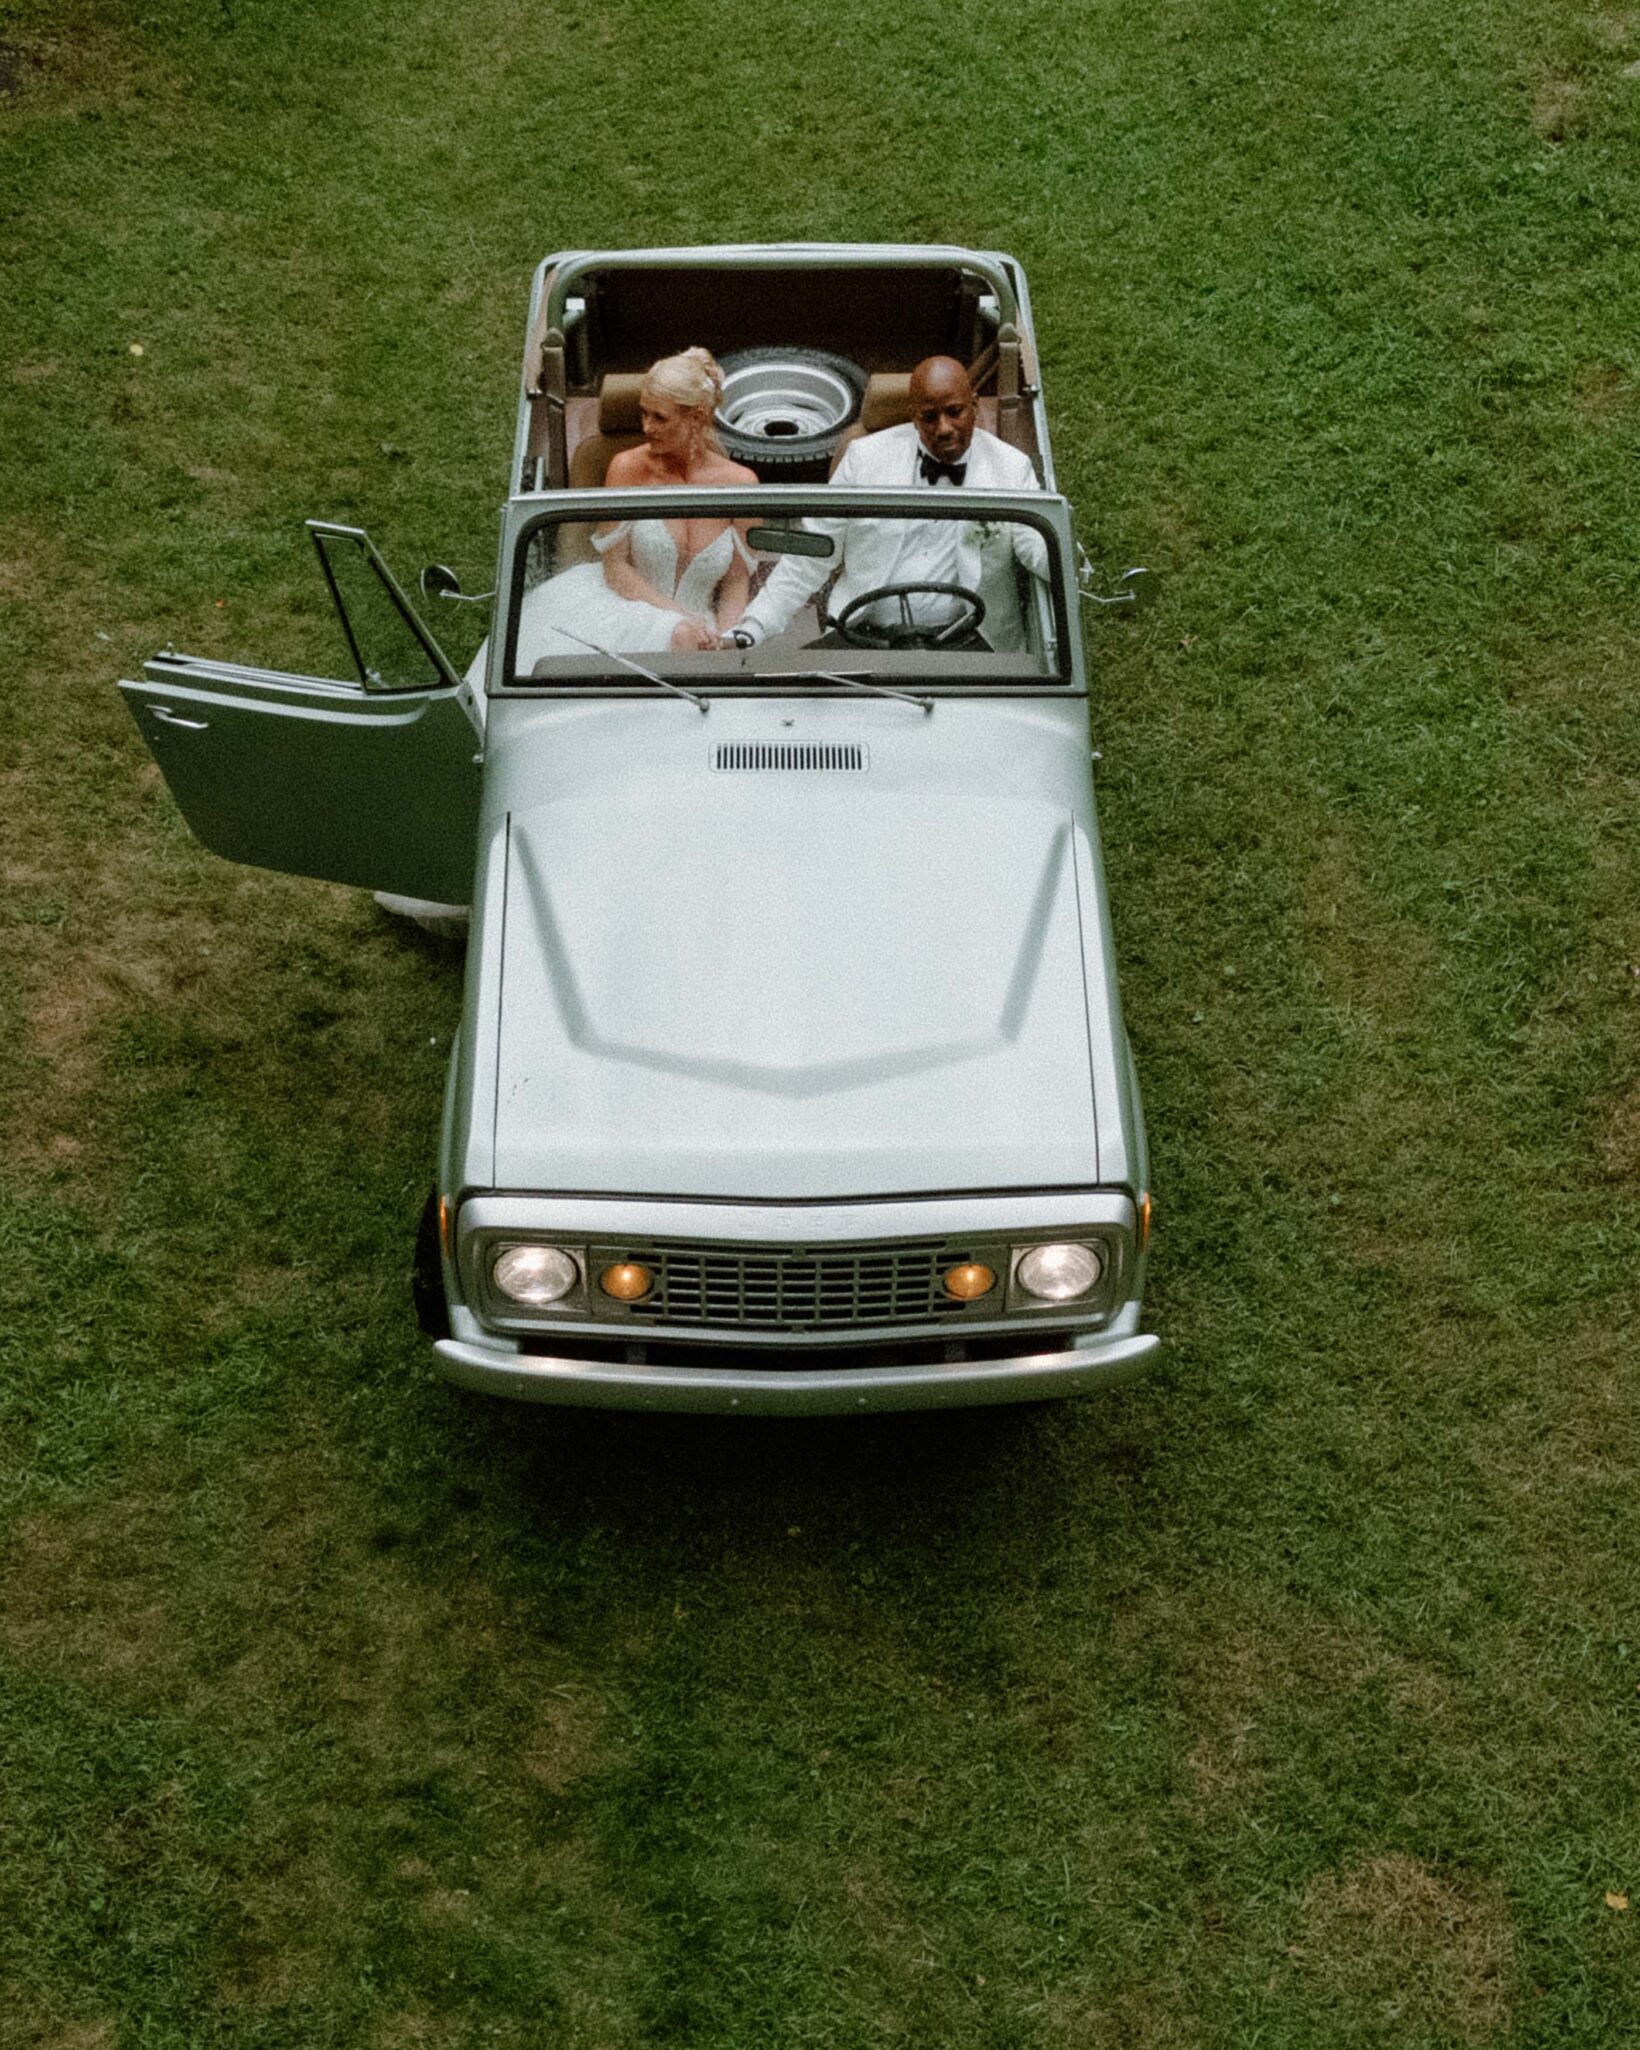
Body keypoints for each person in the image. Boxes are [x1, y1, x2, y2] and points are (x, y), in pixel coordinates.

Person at [724, 355, 1047, 652]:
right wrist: (754, 626)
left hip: (973, 641)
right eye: (929, 417)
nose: (944, 428)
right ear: (913, 417)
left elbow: (1037, 546)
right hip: (865, 636)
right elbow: (811, 557)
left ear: (974, 406)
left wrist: (1064, 563)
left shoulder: (1010, 468)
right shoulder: (865, 459)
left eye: (954, 412)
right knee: (795, 691)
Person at [520, 347, 758, 659]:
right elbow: (615, 568)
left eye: (660, 417)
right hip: (626, 610)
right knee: (680, 638)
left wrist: (727, 643)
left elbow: (736, 584)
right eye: (643, 413)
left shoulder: (741, 484)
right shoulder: (626, 467)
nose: (647, 427)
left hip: (701, 631)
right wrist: (679, 620)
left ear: (696, 418)